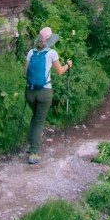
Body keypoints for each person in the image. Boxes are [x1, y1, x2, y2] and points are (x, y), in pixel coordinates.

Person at [24, 26, 72, 164]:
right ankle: (33, 152)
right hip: (44, 93)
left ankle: (30, 143)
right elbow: (60, 71)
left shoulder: (31, 52)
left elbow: (24, 72)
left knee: (36, 116)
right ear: (50, 40)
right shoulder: (52, 53)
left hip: (30, 91)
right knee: (39, 120)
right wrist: (68, 65)